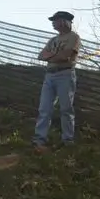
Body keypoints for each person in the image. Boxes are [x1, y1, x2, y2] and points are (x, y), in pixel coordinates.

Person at [33, 10, 81, 150]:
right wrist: (55, 55)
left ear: (64, 21)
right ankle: (39, 139)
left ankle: (68, 140)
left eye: (56, 20)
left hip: (65, 74)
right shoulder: (53, 40)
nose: (53, 23)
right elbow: (41, 55)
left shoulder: (73, 37)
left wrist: (51, 55)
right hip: (50, 75)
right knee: (44, 108)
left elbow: (65, 56)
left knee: (66, 108)